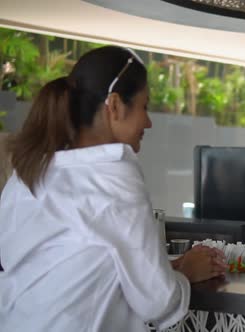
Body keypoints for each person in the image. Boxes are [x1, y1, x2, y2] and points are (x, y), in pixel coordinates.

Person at [0, 46, 227, 331]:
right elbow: (158, 303)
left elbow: (74, 268)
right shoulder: (113, 172)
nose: (149, 121)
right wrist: (187, 274)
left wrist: (169, 270)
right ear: (115, 105)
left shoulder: (29, 167)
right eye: (144, 107)